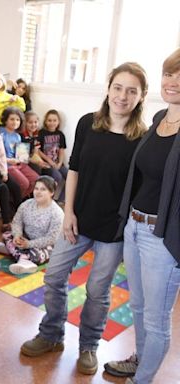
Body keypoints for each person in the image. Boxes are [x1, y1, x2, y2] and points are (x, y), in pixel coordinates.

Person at [20, 62, 148, 376]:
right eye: (118, 87)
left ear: (142, 96)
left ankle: (89, 345)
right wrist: (69, 212)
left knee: (97, 290)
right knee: (53, 278)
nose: (122, 96)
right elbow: (73, 169)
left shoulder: (142, 138)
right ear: (108, 88)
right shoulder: (87, 123)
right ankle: (51, 334)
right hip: (78, 219)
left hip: (113, 229)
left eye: (132, 90)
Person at [104, 49, 180, 384]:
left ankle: (142, 380)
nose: (173, 81)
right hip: (135, 227)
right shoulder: (160, 118)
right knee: (137, 306)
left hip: (163, 237)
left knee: (156, 319)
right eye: (168, 73)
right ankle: (139, 361)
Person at [0, 176, 63, 274]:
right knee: (7, 235)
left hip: (45, 245)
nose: (38, 192)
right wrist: (17, 236)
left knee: (40, 254)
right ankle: (21, 255)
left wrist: (29, 244)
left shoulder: (57, 213)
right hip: (26, 239)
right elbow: (17, 222)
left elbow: (51, 239)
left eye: (43, 189)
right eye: (36, 188)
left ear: (51, 193)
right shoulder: (26, 204)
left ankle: (17, 254)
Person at [0, 107, 39, 198]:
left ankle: (20, 199)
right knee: (24, 183)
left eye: (17, 120)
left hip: (19, 164)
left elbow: (22, 156)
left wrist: (25, 157)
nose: (15, 122)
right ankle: (17, 201)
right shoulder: (0, 134)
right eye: (12, 119)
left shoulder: (17, 136)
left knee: (36, 180)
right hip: (7, 165)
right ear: (5, 120)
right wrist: (9, 160)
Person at [37, 109, 68, 201]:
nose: (52, 123)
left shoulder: (60, 134)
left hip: (57, 163)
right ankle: (49, 198)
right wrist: (49, 161)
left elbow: (61, 150)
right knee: (57, 176)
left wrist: (60, 163)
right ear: (45, 121)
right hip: (46, 163)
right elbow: (38, 151)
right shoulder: (41, 133)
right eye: (49, 120)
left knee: (70, 177)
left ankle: (61, 199)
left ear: (58, 122)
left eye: (55, 120)